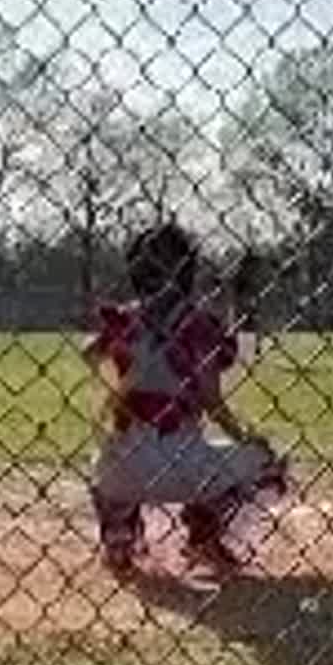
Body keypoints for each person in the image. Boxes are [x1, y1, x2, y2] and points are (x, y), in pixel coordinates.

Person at [83, 223, 287, 577]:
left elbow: (89, 356)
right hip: (182, 465)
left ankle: (120, 533)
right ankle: (204, 533)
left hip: (120, 464)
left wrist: (125, 373)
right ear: (186, 269)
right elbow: (211, 400)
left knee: (105, 458)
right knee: (271, 462)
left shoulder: (124, 318)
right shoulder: (199, 323)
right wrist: (246, 437)